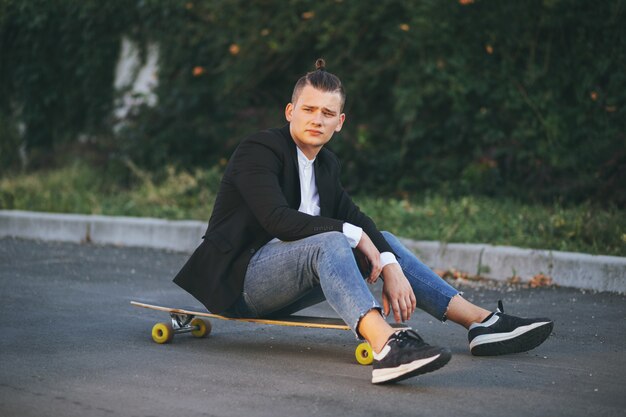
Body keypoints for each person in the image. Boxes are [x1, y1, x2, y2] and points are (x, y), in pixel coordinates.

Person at [173, 59, 553, 384]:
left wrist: (387, 263)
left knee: (376, 237)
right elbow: (279, 221)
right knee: (335, 239)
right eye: (308, 110)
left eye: (326, 114)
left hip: (286, 281)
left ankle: (481, 324)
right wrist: (356, 237)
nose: (316, 120)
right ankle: (387, 347)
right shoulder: (260, 150)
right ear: (290, 112)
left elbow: (358, 219)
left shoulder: (326, 165)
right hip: (241, 282)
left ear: (340, 122)